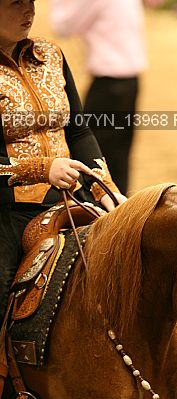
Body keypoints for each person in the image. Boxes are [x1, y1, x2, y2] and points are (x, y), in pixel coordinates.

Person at [0, 0, 126, 375]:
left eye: (31, 2)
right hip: (8, 209)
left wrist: (106, 189)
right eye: (15, 3)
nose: (29, 11)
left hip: (71, 198)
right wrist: (42, 168)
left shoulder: (50, 54)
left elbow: (79, 131)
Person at [51, 0, 148, 195]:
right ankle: (121, 205)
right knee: (119, 154)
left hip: (109, 81)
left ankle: (108, 208)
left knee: (94, 155)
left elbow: (63, 26)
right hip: (131, 79)